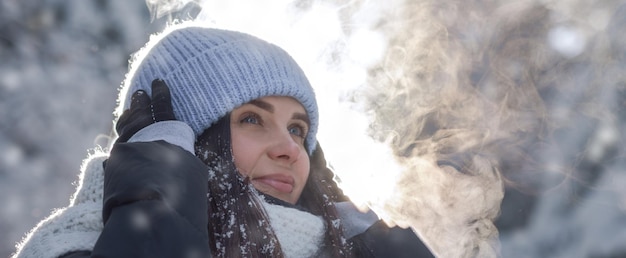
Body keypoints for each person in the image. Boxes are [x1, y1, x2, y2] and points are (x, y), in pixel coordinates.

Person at [12, 21, 434, 258]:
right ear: (179, 140)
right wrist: (163, 199)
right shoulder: (71, 249)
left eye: (298, 130)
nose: (290, 149)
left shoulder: (347, 249)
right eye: (252, 119)